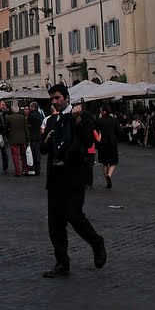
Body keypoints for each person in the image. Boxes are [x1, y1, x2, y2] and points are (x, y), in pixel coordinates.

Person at [40, 84, 106, 278]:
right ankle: (62, 262)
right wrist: (46, 140)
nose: (54, 102)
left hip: (74, 175)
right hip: (56, 177)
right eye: (52, 99)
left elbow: (88, 142)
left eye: (57, 98)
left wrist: (77, 120)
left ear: (67, 98)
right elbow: (43, 150)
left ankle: (96, 242)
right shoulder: (51, 120)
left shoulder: (82, 117)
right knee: (55, 223)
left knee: (74, 215)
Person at [95, 105, 120, 189]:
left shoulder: (99, 121)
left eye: (101, 111)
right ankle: (109, 175)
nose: (100, 112)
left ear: (104, 112)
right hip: (112, 143)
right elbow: (119, 131)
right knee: (113, 162)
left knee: (105, 163)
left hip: (102, 143)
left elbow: (95, 132)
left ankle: (107, 179)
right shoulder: (114, 120)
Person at [6, 104, 30, 177]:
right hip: (22, 138)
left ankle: (18, 171)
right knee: (24, 155)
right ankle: (25, 169)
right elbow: (26, 129)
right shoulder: (23, 118)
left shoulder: (9, 118)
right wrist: (28, 138)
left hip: (13, 138)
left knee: (15, 155)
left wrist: (8, 136)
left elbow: (6, 128)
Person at [27, 102, 44, 176]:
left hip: (32, 136)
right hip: (39, 136)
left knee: (33, 153)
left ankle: (33, 168)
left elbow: (28, 123)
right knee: (37, 153)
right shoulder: (40, 115)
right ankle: (38, 168)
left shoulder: (31, 115)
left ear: (32, 107)